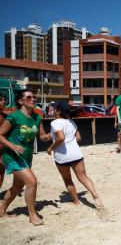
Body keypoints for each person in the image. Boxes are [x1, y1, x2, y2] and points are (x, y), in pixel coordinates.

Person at [0, 90, 52, 225]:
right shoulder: (14, 117)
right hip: (12, 156)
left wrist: (46, 137)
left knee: (17, 187)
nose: (33, 99)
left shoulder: (37, 117)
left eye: (34, 97)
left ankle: (1, 210)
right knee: (32, 182)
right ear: (20, 101)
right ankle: (32, 215)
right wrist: (11, 145)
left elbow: (41, 135)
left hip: (27, 156)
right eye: (29, 97)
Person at [47, 102, 103, 208]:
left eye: (54, 109)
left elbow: (61, 138)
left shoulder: (55, 122)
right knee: (83, 177)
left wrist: (50, 148)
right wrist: (70, 143)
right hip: (76, 154)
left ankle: (76, 201)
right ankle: (95, 195)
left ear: (59, 111)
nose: (53, 111)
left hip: (62, 156)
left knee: (67, 179)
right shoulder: (71, 122)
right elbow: (78, 138)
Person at [0, 94, 7, 189]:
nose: (4, 102)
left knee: (1, 171)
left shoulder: (6, 116)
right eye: (1, 100)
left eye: (4, 100)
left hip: (3, 147)